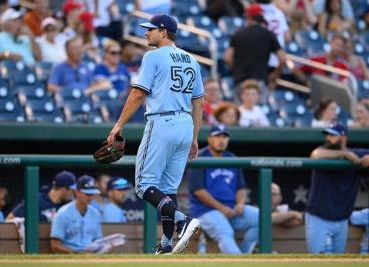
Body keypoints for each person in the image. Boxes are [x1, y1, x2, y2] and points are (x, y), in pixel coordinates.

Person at [106, 14, 204, 254]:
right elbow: (199, 102)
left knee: (143, 186)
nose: (146, 33)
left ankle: (182, 220)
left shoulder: (153, 56)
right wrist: (194, 137)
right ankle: (167, 243)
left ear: (163, 31)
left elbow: (138, 94)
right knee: (169, 188)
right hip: (185, 124)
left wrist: (118, 125)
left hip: (162, 121)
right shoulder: (192, 59)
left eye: (151, 29)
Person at [188, 124, 259, 254]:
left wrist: (240, 204)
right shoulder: (199, 156)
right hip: (205, 211)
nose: (221, 140)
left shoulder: (232, 158)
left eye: (224, 137)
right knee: (226, 232)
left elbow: (241, 188)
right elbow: (198, 190)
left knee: (260, 218)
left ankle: (246, 256)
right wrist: (221, 208)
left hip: (231, 209)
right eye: (217, 136)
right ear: (209, 139)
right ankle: (239, 263)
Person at [307, 122, 369, 253]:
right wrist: (344, 154)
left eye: (333, 135)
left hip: (342, 220)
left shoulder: (356, 153)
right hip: (319, 218)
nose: (328, 138)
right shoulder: (324, 152)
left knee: (338, 262)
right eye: (328, 135)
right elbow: (315, 154)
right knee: (317, 263)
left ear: (343, 137)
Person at [224, 4, 286, 103]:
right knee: (258, 113)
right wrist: (275, 75)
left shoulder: (238, 33)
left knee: (240, 114)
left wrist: (236, 69)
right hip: (260, 81)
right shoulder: (268, 34)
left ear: (248, 17)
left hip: (240, 79)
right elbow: (282, 59)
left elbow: (227, 58)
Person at [50, 175, 104, 253]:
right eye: (87, 194)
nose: (90, 198)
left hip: (91, 256)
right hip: (69, 258)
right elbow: (55, 245)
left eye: (93, 194)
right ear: (77, 192)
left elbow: (98, 240)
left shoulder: (95, 214)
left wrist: (105, 247)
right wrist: (77, 254)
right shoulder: (63, 213)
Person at [6, 170, 76, 222]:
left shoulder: (69, 205)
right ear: (63, 189)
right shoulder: (36, 200)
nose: (73, 193)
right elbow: (9, 219)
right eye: (72, 190)